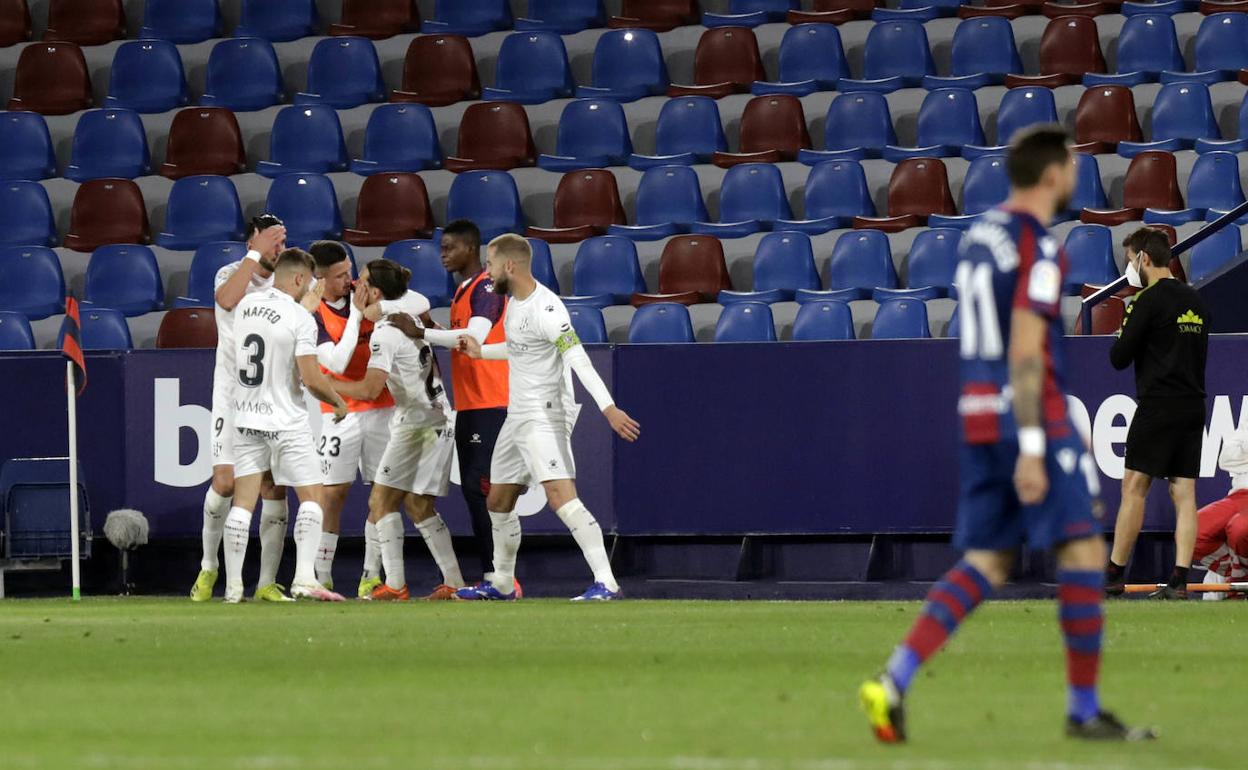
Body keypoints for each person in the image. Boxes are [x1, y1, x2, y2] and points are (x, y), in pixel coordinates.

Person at [859, 127, 1154, 742]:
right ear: (1051, 175)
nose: (1077, 174)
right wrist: (1033, 445)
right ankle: (1082, 710)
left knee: (989, 561)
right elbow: (1025, 345)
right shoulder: (1038, 247)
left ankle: (893, 681)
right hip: (1029, 415)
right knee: (1081, 551)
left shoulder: (980, 236)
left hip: (977, 411)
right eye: (1072, 165)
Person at [454, 234, 640, 602]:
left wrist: (608, 408)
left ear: (510, 265)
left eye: (490, 265)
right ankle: (503, 584)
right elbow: (519, 347)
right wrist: (481, 352)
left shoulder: (548, 309)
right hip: (517, 416)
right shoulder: (514, 305)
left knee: (560, 496)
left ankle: (607, 582)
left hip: (544, 415)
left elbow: (578, 359)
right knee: (498, 501)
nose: (487, 273)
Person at [304, 241, 437, 598]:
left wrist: (379, 306)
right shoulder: (312, 312)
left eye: (349, 271)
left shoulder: (364, 294)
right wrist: (360, 316)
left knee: (382, 494)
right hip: (339, 412)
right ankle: (323, 576)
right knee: (332, 494)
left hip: (384, 408)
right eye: (339, 275)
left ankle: (369, 574)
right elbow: (336, 364)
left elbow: (419, 301)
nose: (349, 280)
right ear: (319, 278)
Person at [329, 260, 464, 601]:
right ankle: (454, 582)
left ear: (374, 291)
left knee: (380, 500)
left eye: (359, 282)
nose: (353, 288)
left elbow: (371, 390)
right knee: (418, 505)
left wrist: (325, 383)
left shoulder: (386, 333)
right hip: (436, 416)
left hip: (418, 423)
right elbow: (413, 299)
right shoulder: (410, 315)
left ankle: (396, 584)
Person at [223, 248, 349, 603]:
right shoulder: (301, 318)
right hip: (285, 421)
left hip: (246, 418)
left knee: (243, 504)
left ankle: (233, 589)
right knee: (313, 497)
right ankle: (305, 579)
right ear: (298, 279)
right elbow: (310, 378)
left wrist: (301, 309)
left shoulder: (246, 305)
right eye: (308, 282)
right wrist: (337, 402)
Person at [190, 215, 293, 603]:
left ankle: (266, 582)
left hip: (275, 394)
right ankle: (208, 566)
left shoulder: (287, 278)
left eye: (280, 242)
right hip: (232, 392)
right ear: (251, 241)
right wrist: (255, 252)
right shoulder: (230, 272)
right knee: (226, 482)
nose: (276, 249)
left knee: (272, 484)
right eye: (270, 241)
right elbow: (228, 300)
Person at [1105, 228, 1211, 600]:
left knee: (1134, 486)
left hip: (1158, 403)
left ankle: (1113, 575)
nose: (1129, 266)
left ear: (1144, 259)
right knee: (1184, 491)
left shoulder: (1144, 301)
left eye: (1130, 258)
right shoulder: (1196, 299)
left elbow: (1119, 357)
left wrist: (1125, 327)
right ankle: (1180, 580)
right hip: (1193, 404)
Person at [412, 220, 510, 584]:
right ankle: (493, 573)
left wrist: (423, 332)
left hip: (492, 401)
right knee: (475, 490)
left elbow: (474, 337)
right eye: (442, 248)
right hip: (470, 404)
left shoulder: (485, 286)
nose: (443, 255)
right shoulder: (463, 291)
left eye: (450, 247)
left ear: (471, 249)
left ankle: (499, 575)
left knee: (484, 488)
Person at [1192, 431, 1248, 596]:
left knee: (1240, 528)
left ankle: (1238, 587)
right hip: (1240, 494)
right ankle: (1239, 576)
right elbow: (1225, 459)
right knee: (1191, 530)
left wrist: (1242, 454)